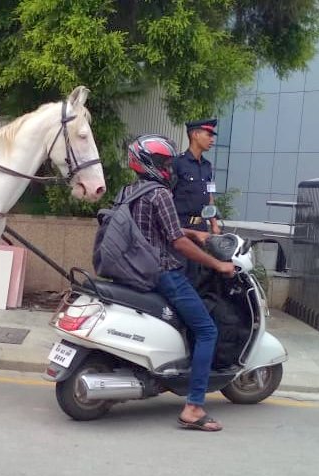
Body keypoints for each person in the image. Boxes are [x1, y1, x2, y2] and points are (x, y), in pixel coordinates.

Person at [122, 134, 235, 431]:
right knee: (207, 330)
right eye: (164, 162)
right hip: (164, 273)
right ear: (152, 164)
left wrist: (194, 232)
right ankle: (194, 406)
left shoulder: (129, 192)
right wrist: (218, 263)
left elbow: (161, 229)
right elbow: (176, 243)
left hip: (136, 269)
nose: (169, 168)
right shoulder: (159, 194)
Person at [173, 118, 221, 235]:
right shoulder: (177, 163)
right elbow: (167, 195)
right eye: (209, 135)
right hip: (181, 228)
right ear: (195, 135)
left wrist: (214, 224)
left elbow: (209, 194)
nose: (212, 140)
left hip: (201, 227)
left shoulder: (207, 166)